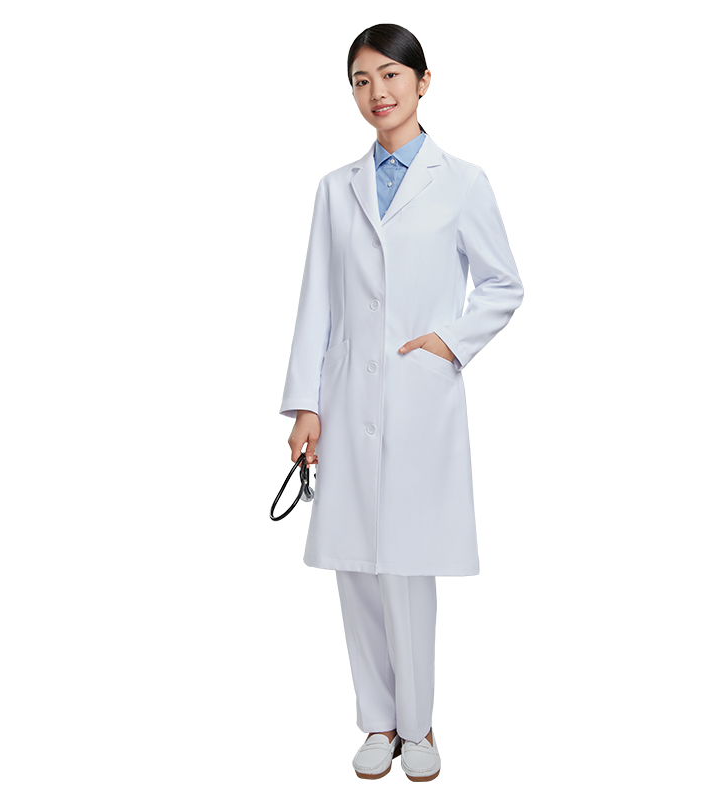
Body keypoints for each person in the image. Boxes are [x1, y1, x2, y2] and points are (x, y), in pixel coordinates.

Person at [278, 23, 524, 781]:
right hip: (346, 398)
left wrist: (448, 342)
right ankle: (376, 723)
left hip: (419, 399)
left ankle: (417, 726)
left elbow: (503, 284)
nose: (377, 92)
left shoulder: (463, 182)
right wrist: (306, 404)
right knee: (355, 566)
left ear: (423, 80)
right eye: (361, 80)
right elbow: (316, 301)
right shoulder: (335, 188)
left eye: (390, 75)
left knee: (409, 566)